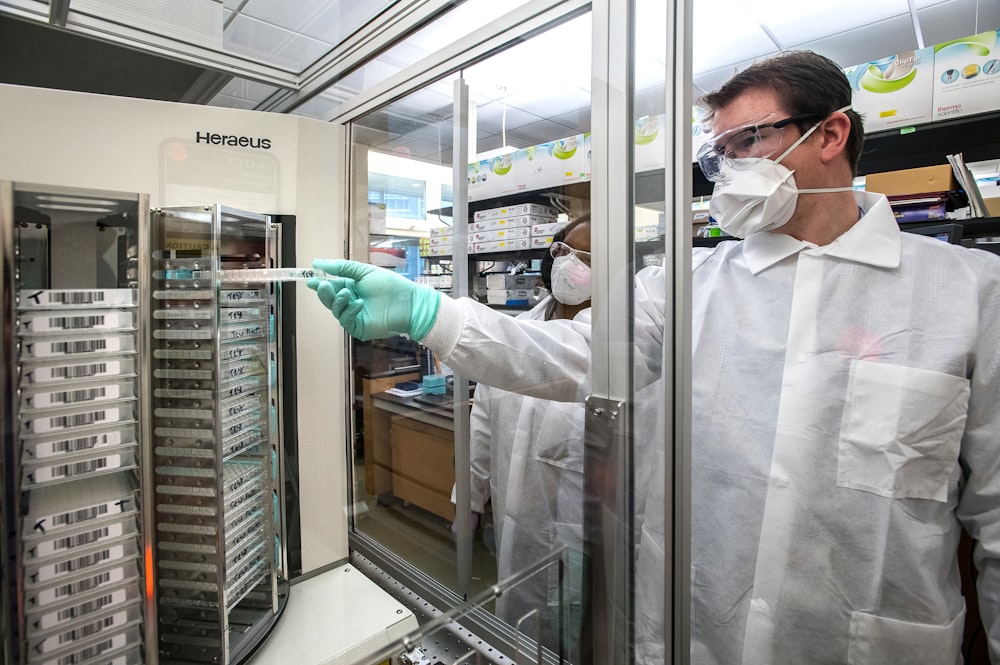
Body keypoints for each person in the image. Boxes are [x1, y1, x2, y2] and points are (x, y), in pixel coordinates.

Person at [310, 50, 1000, 664]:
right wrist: (431, 314)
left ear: (832, 133)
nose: (729, 169)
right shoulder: (681, 285)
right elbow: (565, 355)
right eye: (718, 155)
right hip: (696, 625)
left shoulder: (967, 293)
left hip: (864, 638)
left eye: (749, 140)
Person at [462, 216, 591, 655]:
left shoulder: (625, 344)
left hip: (584, 529)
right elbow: (482, 419)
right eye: (565, 252)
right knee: (521, 622)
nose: (572, 265)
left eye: (589, 258)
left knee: (580, 632)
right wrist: (470, 498)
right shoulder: (521, 330)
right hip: (516, 513)